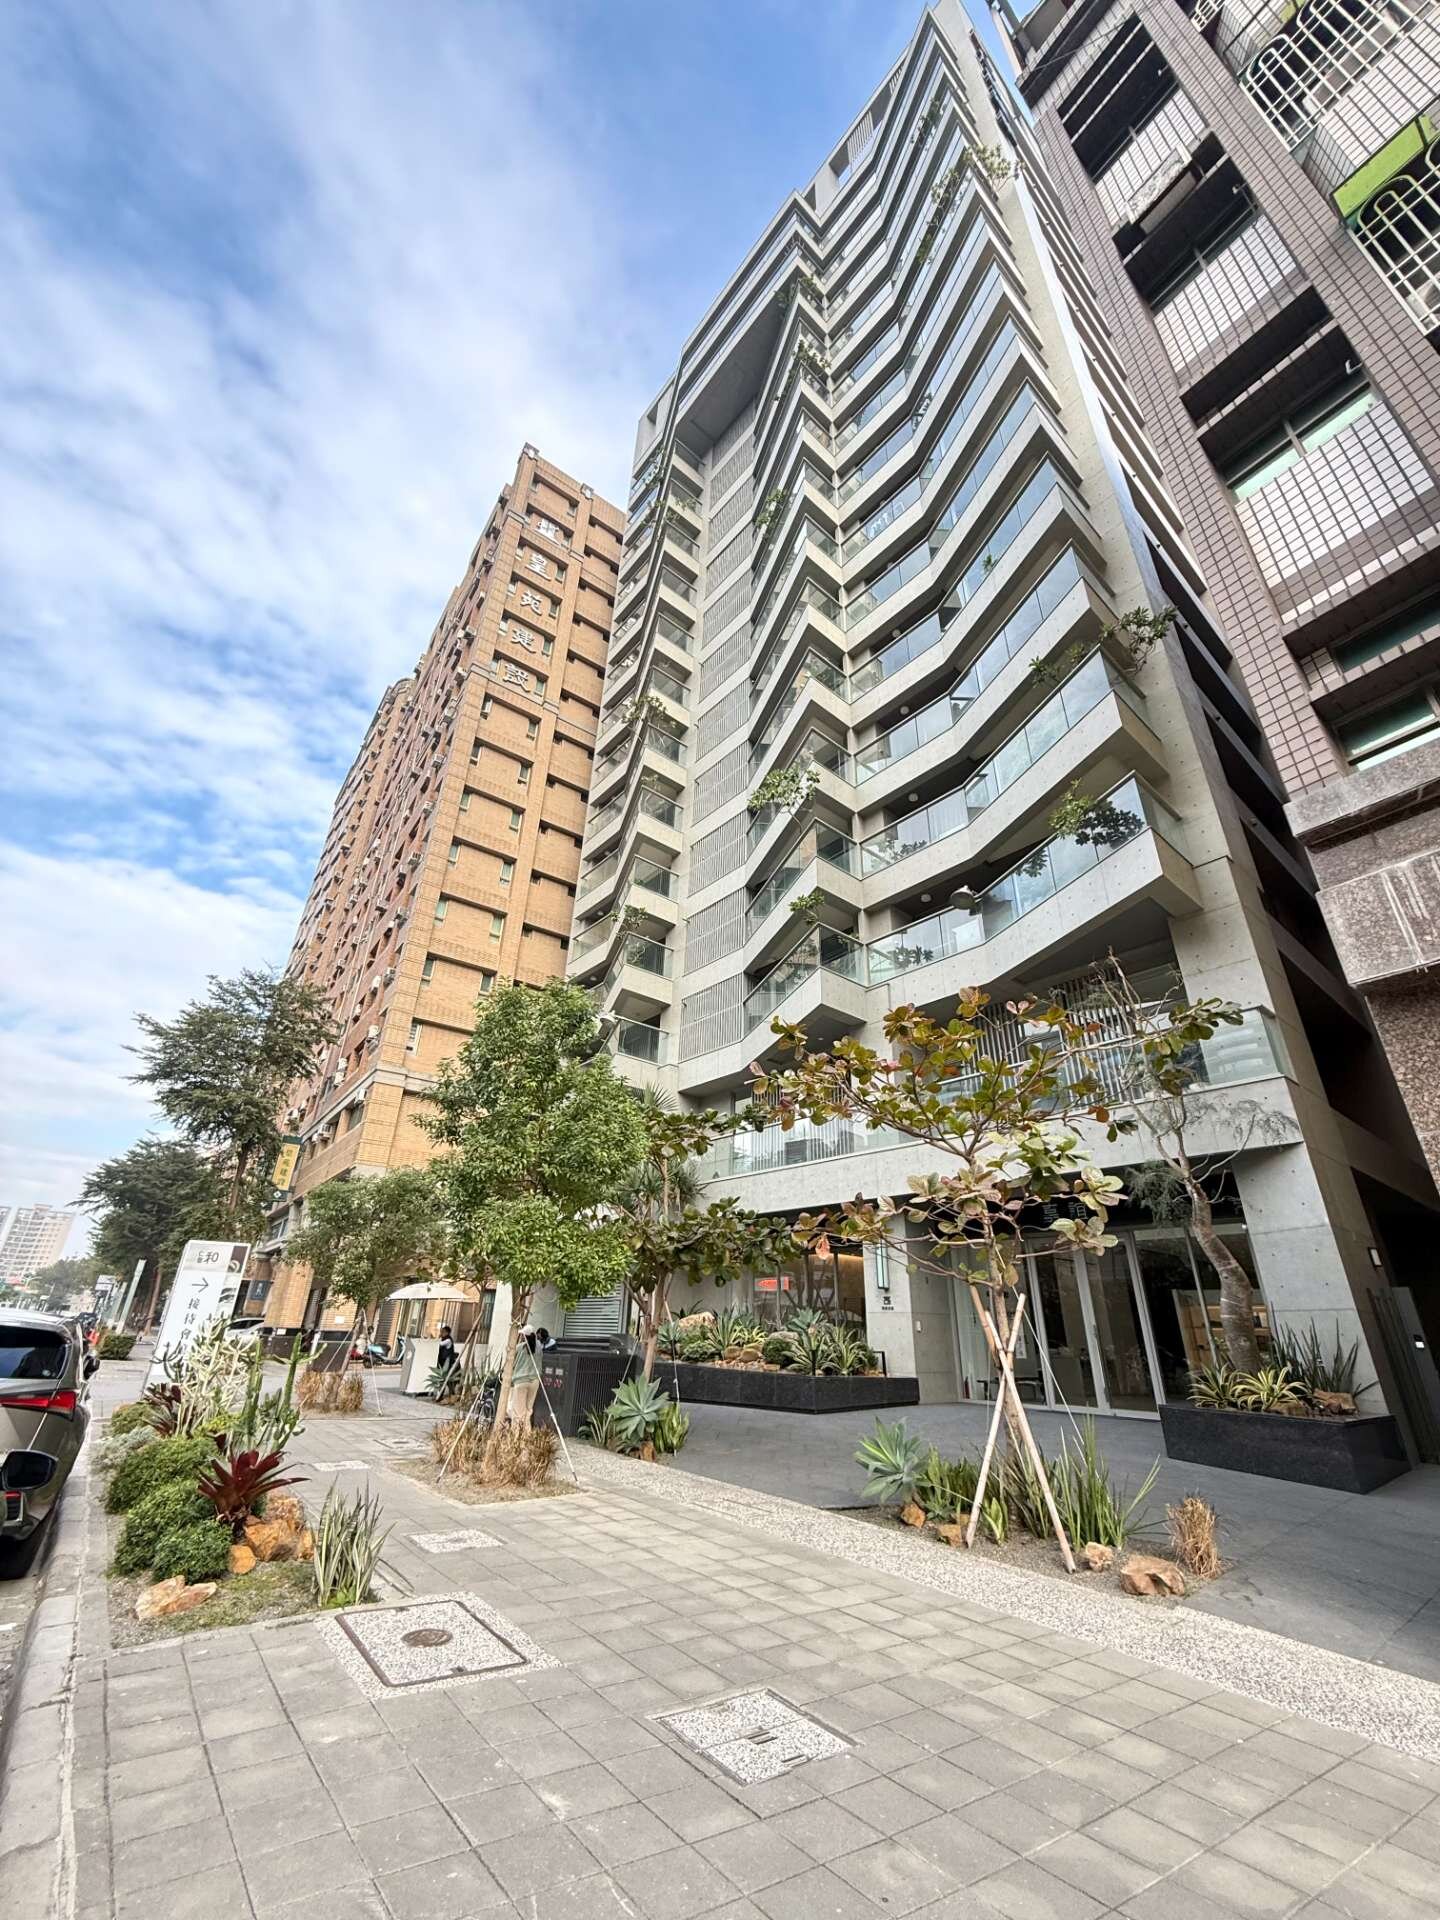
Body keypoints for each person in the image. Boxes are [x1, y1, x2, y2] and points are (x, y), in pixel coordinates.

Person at [509, 1325, 541, 1427]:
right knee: (528, 1410)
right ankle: (526, 1433)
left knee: (518, 1412)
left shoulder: (520, 1347)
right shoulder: (539, 1348)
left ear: (524, 1336)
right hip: (535, 1381)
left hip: (521, 1381)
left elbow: (511, 1363)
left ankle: (516, 1434)